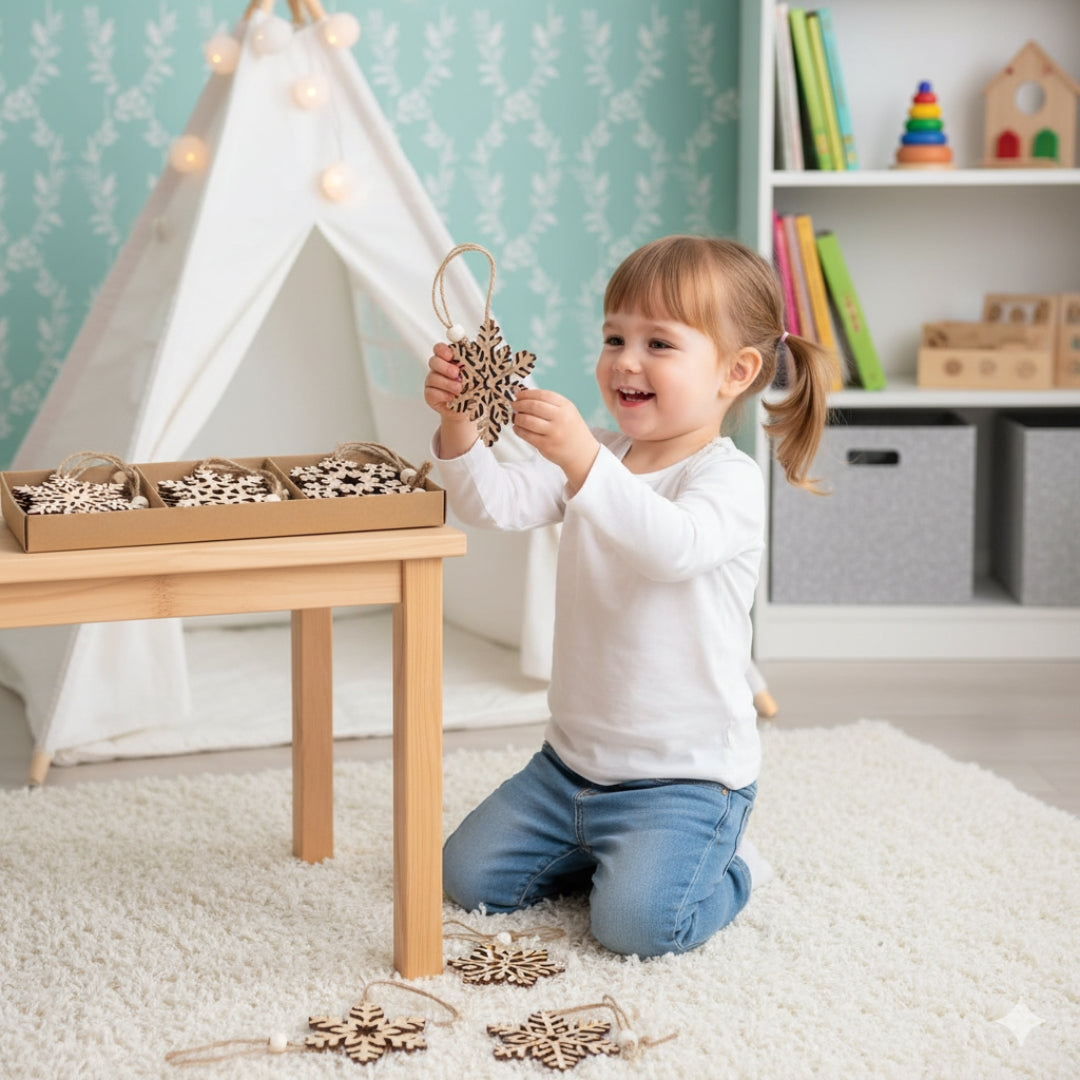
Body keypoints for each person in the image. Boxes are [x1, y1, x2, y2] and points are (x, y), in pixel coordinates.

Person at [423, 235, 833, 957]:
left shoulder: (725, 480)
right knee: (469, 878)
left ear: (734, 372)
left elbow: (669, 547)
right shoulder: (602, 458)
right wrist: (460, 422)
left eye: (659, 343)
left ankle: (733, 867)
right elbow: (493, 505)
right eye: (615, 336)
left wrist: (582, 461)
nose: (625, 360)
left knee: (638, 929)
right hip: (569, 767)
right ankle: (610, 856)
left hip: (686, 780)